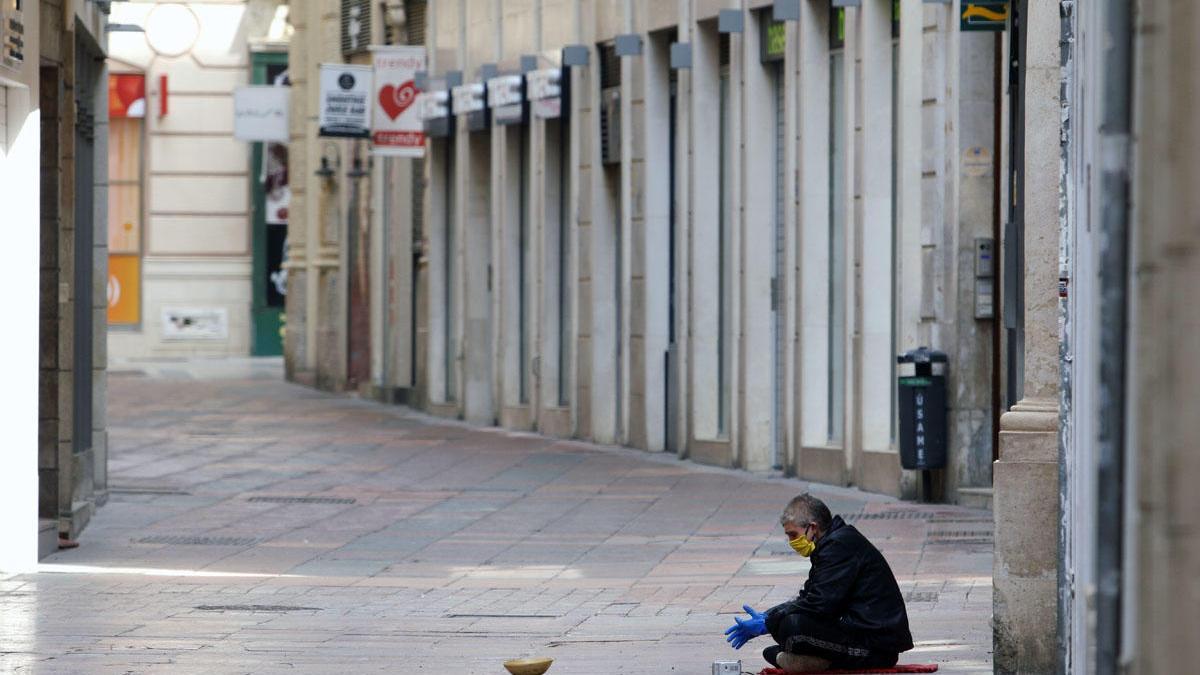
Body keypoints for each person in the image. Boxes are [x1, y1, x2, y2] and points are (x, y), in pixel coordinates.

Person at [724, 493, 913, 673]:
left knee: (792, 626)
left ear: (812, 528)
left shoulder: (839, 546)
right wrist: (768, 615)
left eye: (793, 535)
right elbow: (808, 597)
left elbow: (820, 605)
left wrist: (768, 623)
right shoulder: (830, 545)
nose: (791, 542)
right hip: (859, 633)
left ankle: (815, 662)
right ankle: (810, 661)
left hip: (875, 646)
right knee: (782, 634)